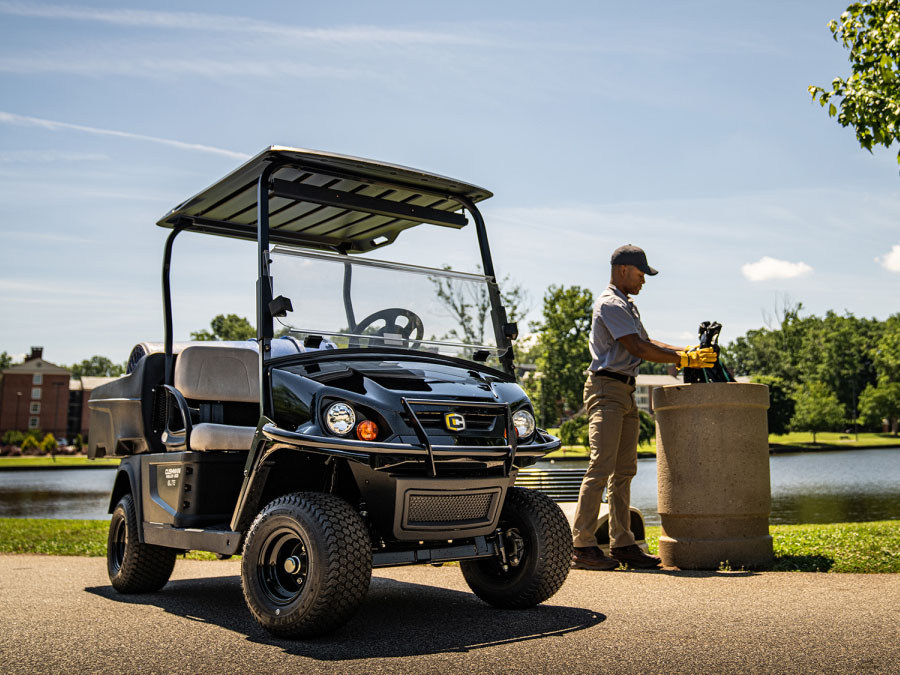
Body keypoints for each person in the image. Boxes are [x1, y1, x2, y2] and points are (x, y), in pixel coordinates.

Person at [571, 244, 717, 570]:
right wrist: (684, 358)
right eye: (641, 274)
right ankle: (581, 545)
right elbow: (637, 347)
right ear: (623, 270)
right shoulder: (609, 304)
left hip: (624, 390)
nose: (644, 281)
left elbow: (651, 343)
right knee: (601, 466)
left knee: (624, 471)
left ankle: (622, 543)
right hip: (606, 389)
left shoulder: (627, 306)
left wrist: (687, 350)